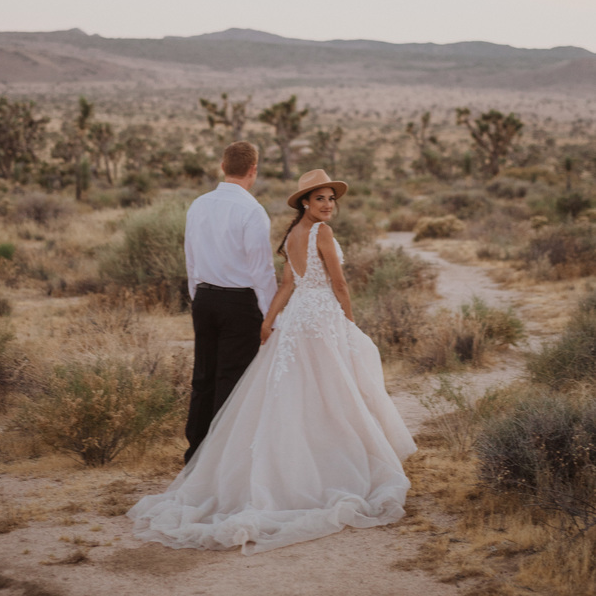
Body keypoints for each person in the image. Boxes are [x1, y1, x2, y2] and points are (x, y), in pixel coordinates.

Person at [128, 168, 417, 554]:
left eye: (332, 198)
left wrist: (268, 322)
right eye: (320, 199)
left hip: (299, 316)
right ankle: (333, 464)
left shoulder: (292, 235)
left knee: (299, 391)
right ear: (305, 202)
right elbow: (339, 283)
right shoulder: (322, 233)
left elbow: (286, 285)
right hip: (321, 316)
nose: (328, 205)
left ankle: (304, 461)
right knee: (333, 390)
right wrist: (349, 320)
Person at [182, 140, 277, 463]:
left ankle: (195, 453)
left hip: (205, 298)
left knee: (203, 376)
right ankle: (223, 460)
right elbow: (261, 270)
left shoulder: (198, 205)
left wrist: (199, 298)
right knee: (233, 381)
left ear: (222, 167)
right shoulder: (252, 211)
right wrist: (270, 317)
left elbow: (190, 260)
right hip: (240, 303)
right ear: (253, 170)